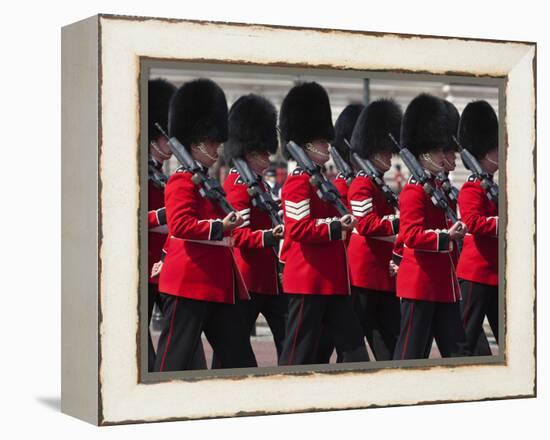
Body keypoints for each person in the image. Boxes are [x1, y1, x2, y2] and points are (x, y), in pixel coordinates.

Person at [154, 78, 257, 372]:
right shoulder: (180, 181)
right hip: (189, 284)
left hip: (217, 285)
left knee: (239, 360)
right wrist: (220, 226)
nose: (217, 146)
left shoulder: (210, 182)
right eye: (212, 142)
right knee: (172, 361)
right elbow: (181, 225)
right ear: (196, 143)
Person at [277, 82, 369, 365]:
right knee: (297, 357)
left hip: (332, 282)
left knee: (355, 354)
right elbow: (299, 229)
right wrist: (336, 226)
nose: (327, 146)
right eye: (321, 142)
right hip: (308, 282)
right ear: (306, 144)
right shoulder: (296, 184)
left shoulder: (321, 182)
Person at [393, 93, 468, 360]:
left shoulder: (441, 189)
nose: (447, 155)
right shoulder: (414, 191)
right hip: (420, 285)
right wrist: (446, 237)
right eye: (441, 150)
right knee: (410, 354)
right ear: (425, 153)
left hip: (443, 284)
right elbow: (411, 235)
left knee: (458, 353)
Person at [221, 94, 287, 362]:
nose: (268, 158)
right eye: (262, 153)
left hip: (268, 276)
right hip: (248, 278)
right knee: (234, 345)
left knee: (289, 336)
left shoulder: (258, 183)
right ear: (249, 151)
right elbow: (238, 234)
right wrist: (270, 237)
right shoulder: (238, 184)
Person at [347, 99, 403, 361]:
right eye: (384, 150)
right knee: (354, 342)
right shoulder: (361, 184)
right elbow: (366, 224)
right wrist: (399, 222)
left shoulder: (379, 183)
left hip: (383, 271)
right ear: (372, 151)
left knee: (390, 341)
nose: (389, 155)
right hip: (365, 272)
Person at [456, 100, 499, 355]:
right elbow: (473, 222)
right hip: (476, 274)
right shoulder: (472, 188)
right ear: (484, 153)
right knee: (466, 337)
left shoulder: (494, 186)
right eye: (495, 148)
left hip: (494, 272)